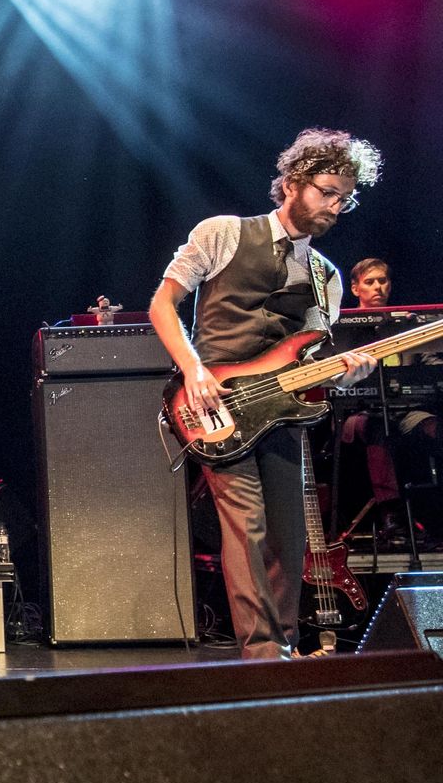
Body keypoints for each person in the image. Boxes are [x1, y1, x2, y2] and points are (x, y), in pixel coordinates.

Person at [149, 129, 381, 659]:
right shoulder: (224, 232)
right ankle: (262, 655)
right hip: (216, 404)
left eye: (344, 199)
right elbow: (163, 304)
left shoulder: (326, 276)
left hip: (283, 416)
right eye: (327, 192)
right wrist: (193, 370)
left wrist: (344, 375)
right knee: (247, 526)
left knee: (288, 538)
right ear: (294, 182)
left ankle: (285, 651)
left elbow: (311, 363)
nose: (335, 207)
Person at [337, 258, 441, 547]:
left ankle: (435, 516)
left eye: (382, 281)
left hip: (406, 410)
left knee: (435, 428)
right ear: (355, 288)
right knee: (377, 427)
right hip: (357, 413)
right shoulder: (344, 329)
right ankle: (391, 515)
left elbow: (430, 364)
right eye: (370, 282)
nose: (378, 287)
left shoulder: (406, 325)